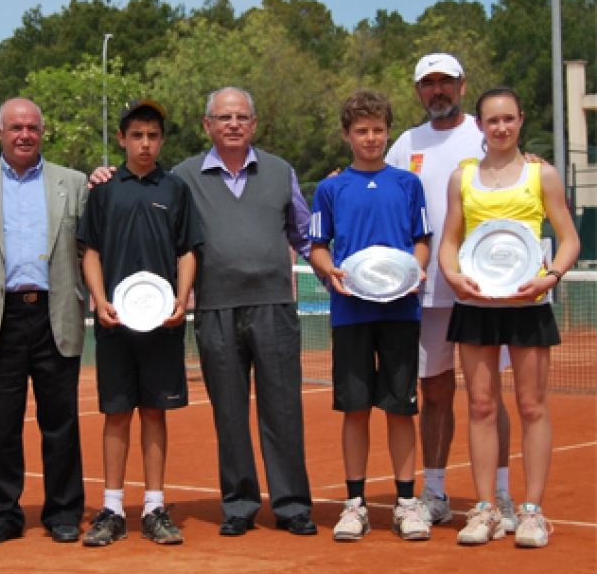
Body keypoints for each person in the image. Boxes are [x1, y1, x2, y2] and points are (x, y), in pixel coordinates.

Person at [92, 86, 318, 536]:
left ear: (253, 124)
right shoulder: (182, 177)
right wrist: (101, 176)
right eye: (223, 117)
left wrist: (337, 275)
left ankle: (292, 505)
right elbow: (144, 197)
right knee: (228, 411)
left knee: (283, 409)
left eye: (241, 117)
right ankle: (238, 504)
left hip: (274, 306)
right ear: (207, 125)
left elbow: (306, 236)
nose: (233, 124)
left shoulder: (280, 171)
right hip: (215, 309)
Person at [438, 87, 580, 547]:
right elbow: (449, 239)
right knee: (480, 407)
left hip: (528, 305)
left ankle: (533, 512)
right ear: (479, 125)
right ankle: (485, 510)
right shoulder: (462, 178)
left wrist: (551, 276)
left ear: (521, 120)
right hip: (475, 306)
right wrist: (452, 275)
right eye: (491, 120)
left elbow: (569, 238)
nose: (500, 127)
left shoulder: (543, 175)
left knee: (532, 406)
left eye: (508, 119)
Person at [384, 53, 518, 530]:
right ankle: (435, 491)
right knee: (435, 391)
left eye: (446, 82)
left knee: (488, 395)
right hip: (426, 292)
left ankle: (500, 494)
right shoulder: (404, 144)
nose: (437, 90)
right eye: (428, 83)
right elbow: (385, 192)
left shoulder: (484, 134)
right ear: (419, 91)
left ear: (463, 86)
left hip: (486, 288)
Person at [0, 98, 88, 545]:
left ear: (42, 131)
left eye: (31, 127)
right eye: (15, 127)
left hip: (56, 313)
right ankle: (2, 515)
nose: (24, 134)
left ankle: (64, 512)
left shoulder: (74, 182)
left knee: (61, 420)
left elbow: (89, 250)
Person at [309, 91, 433, 542]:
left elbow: (422, 239)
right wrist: (331, 273)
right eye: (361, 130)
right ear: (347, 134)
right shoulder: (330, 188)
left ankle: (405, 502)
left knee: (400, 409)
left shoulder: (407, 184)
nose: (370, 138)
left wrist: (417, 268)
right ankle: (355, 504)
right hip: (350, 313)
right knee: (356, 409)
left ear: (388, 132)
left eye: (378, 129)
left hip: (401, 309)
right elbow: (318, 247)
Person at [78, 100, 203, 547]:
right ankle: (112, 508)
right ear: (122, 140)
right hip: (115, 325)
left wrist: (182, 299)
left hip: (162, 324)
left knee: (154, 412)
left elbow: (187, 249)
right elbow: (89, 250)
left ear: (161, 140)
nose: (145, 143)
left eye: (153, 135)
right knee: (115, 413)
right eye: (137, 136)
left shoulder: (176, 189)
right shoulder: (105, 189)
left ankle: (154, 507)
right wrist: (99, 299)